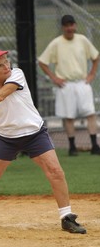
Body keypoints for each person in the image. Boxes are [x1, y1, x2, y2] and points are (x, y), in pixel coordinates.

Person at [0, 45, 86, 234]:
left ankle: (67, 217)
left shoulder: (17, 74)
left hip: (34, 133)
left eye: (6, 61)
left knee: (56, 171)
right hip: (5, 138)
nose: (6, 66)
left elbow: (0, 96)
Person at [38, 14, 100, 156]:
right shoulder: (56, 43)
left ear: (75, 25)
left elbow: (96, 57)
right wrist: (54, 78)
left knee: (90, 114)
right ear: (62, 27)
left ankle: (95, 145)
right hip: (65, 84)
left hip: (82, 82)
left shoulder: (82, 40)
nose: (69, 28)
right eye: (66, 25)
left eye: (71, 25)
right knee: (69, 116)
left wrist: (92, 74)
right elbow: (42, 61)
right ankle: (72, 147)